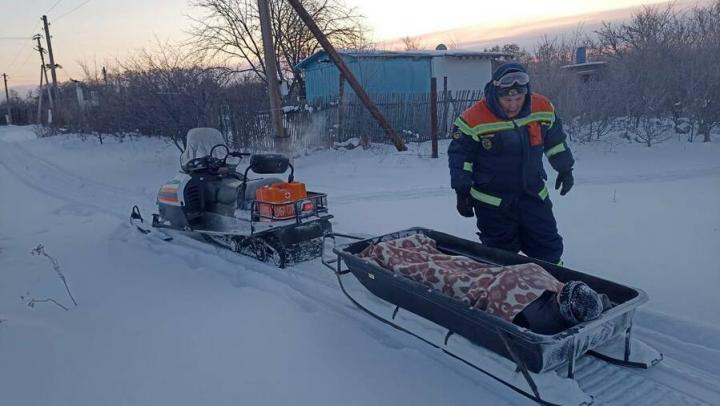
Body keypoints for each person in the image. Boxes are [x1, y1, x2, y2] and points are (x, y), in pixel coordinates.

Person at [448, 63, 575, 264]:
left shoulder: (542, 107)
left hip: (533, 195)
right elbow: (461, 158)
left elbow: (555, 142)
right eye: (507, 99)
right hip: (493, 202)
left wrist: (565, 168)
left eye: (518, 98)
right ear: (496, 93)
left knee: (547, 248)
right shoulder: (472, 119)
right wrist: (462, 190)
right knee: (500, 256)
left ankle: (554, 288)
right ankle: (506, 291)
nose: (513, 104)